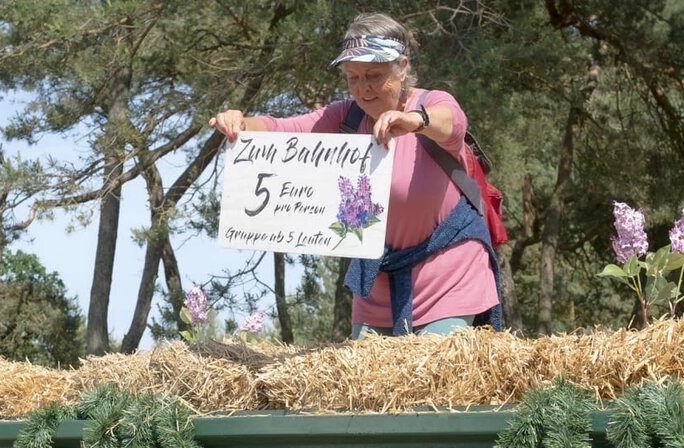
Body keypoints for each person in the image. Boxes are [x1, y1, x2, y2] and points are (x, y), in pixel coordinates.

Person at [209, 12, 501, 338]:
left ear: (402, 67)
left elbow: (452, 122)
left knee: (433, 365)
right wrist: (240, 124)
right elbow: (280, 129)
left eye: (374, 75)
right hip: (377, 283)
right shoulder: (346, 118)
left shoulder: (431, 103)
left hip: (448, 275)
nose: (363, 89)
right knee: (366, 370)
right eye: (353, 77)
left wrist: (414, 121)